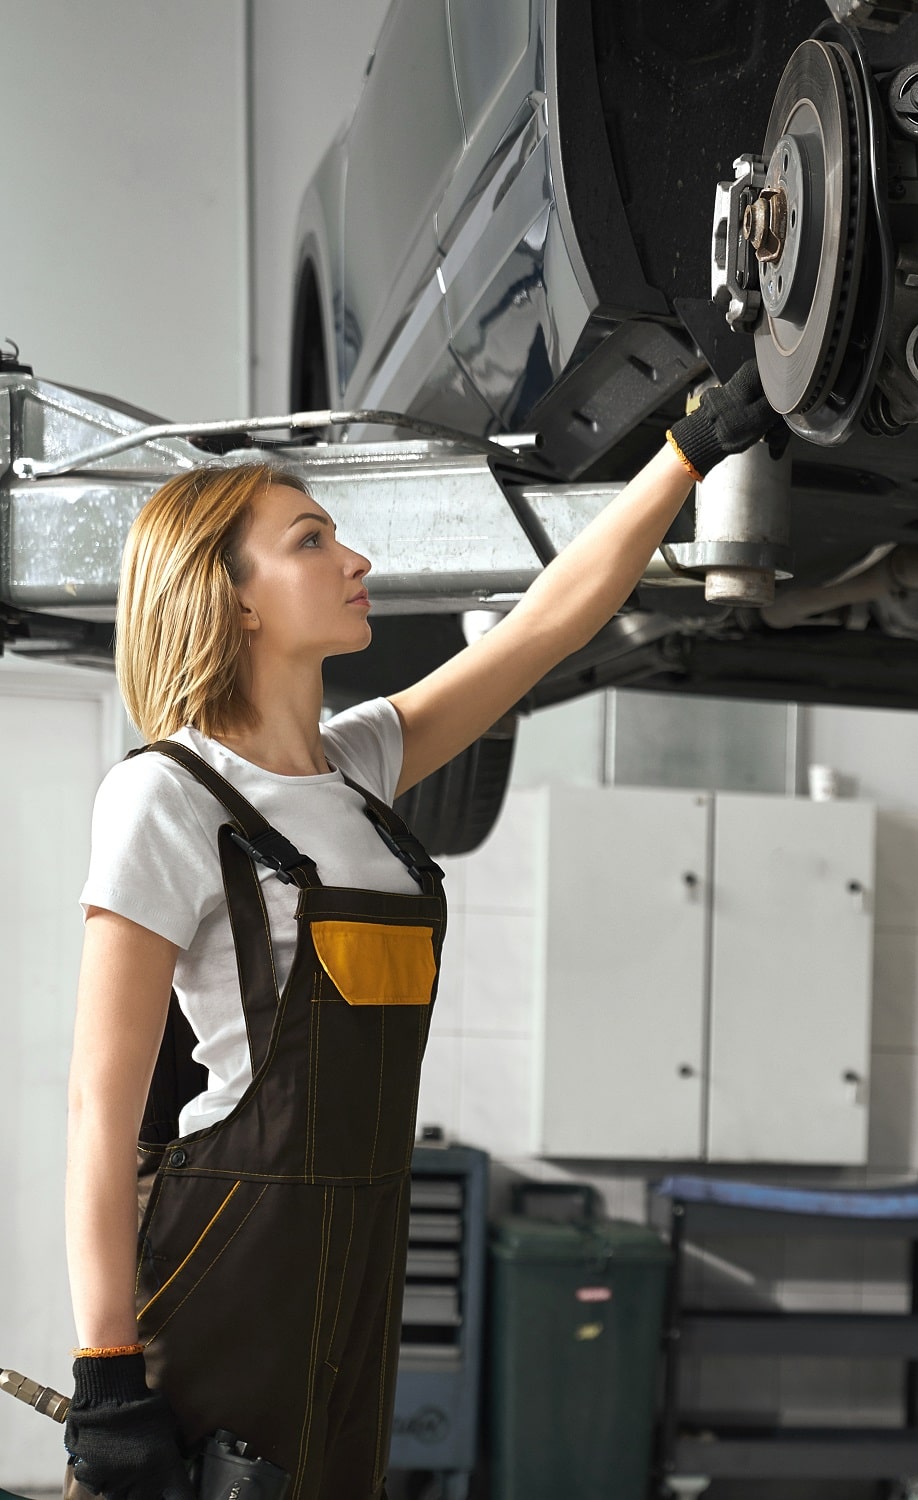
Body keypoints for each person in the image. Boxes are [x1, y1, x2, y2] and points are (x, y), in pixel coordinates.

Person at [63, 361, 780, 1500]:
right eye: (311, 542)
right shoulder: (166, 797)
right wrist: (106, 1367)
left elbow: (547, 623)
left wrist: (687, 455)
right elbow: (101, 1108)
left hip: (362, 1252)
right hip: (227, 1259)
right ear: (233, 594)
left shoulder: (360, 770)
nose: (356, 561)